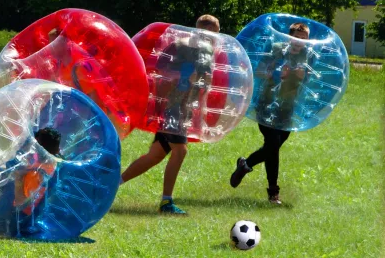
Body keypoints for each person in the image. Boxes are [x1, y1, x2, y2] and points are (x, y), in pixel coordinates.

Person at [119, 14, 221, 215]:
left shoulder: (207, 53)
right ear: (197, 31)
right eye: (208, 36)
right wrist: (182, 78)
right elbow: (159, 75)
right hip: (171, 106)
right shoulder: (179, 46)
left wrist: (199, 113)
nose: (211, 41)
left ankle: (112, 184)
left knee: (154, 156)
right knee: (180, 151)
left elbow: (203, 85)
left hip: (184, 109)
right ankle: (166, 203)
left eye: (214, 37)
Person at [229, 22, 311, 205]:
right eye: (296, 38)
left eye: (303, 40)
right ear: (289, 38)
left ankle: (245, 165)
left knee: (273, 147)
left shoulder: (308, 56)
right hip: (267, 103)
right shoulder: (276, 49)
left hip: (288, 107)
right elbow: (258, 71)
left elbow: (308, 82)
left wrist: (300, 76)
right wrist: (275, 73)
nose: (299, 42)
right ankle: (273, 192)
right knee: (273, 143)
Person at [0, 127, 62, 234]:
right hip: (25, 211)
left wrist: (18, 179)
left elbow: (20, 202)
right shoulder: (53, 166)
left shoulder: (35, 174)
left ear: (38, 146)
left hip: (15, 216)